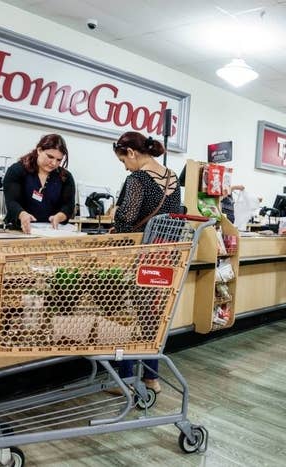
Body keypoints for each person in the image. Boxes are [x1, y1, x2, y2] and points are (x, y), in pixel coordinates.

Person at [112, 131, 181, 394]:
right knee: (154, 316)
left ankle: (127, 380)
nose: (125, 166)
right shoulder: (173, 176)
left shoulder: (137, 179)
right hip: (166, 255)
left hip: (141, 254)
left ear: (131, 153)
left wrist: (115, 223)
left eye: (123, 161)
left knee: (129, 315)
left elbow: (126, 221)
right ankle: (152, 378)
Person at [3, 134, 75, 234]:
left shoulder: (65, 177)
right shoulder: (17, 170)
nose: (54, 163)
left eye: (59, 160)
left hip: (50, 232)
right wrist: (22, 215)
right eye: (50, 157)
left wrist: (59, 216)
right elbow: (12, 202)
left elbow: (68, 206)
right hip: (18, 230)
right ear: (39, 150)